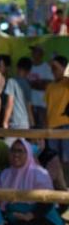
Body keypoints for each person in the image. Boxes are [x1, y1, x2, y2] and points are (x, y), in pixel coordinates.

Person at [0, 139, 64, 225]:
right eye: (13, 151)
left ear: (28, 154)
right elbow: (2, 204)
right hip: (16, 217)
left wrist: (30, 215)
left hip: (42, 217)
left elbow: (48, 201)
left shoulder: (39, 173)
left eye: (20, 151)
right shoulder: (6, 174)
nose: (16, 155)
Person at [45, 55, 69, 184]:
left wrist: (55, 61)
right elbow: (46, 108)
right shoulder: (50, 86)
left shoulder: (67, 83)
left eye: (55, 68)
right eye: (52, 68)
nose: (53, 71)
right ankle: (61, 187)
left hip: (66, 125)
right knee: (54, 161)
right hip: (51, 128)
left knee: (67, 159)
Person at [2, 57, 34, 131]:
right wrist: (32, 123)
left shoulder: (11, 81)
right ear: (29, 71)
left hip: (15, 122)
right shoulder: (27, 85)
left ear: (17, 68)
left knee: (7, 143)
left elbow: (10, 103)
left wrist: (5, 121)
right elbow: (29, 107)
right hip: (25, 123)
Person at [27, 45, 54, 128]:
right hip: (30, 104)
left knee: (42, 128)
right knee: (32, 129)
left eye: (36, 51)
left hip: (42, 104)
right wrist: (38, 83)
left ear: (41, 54)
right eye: (33, 51)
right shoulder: (28, 66)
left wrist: (32, 84)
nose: (33, 53)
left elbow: (48, 85)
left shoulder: (46, 67)